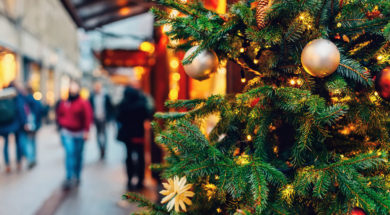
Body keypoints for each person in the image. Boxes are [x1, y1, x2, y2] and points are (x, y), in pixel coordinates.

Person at [56, 80, 93, 189]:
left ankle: (77, 175)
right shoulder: (64, 102)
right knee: (69, 154)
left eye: (75, 87)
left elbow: (88, 117)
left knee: (78, 155)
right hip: (67, 132)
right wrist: (61, 124)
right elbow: (59, 113)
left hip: (79, 133)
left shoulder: (83, 102)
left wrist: (86, 131)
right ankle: (69, 177)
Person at [116, 86, 150, 191]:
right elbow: (147, 115)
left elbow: (119, 118)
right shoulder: (141, 103)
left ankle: (130, 179)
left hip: (128, 135)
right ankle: (140, 180)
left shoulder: (124, 104)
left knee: (128, 156)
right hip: (138, 134)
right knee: (140, 156)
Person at [0, 82, 27, 173]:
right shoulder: (16, 95)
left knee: (6, 144)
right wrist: (24, 122)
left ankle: (7, 164)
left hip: (4, 124)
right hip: (16, 123)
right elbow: (20, 109)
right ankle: (18, 162)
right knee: (18, 143)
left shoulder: (2, 96)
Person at [89, 81, 112, 159]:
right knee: (98, 134)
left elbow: (110, 107)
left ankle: (104, 148)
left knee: (104, 134)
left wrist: (109, 119)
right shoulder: (92, 96)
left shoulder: (106, 96)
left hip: (104, 118)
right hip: (96, 118)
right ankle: (100, 149)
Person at [24, 86, 42, 169]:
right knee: (33, 142)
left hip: (28, 124)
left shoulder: (25, 101)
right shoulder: (36, 101)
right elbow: (40, 111)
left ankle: (31, 159)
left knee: (29, 142)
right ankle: (33, 158)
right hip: (35, 124)